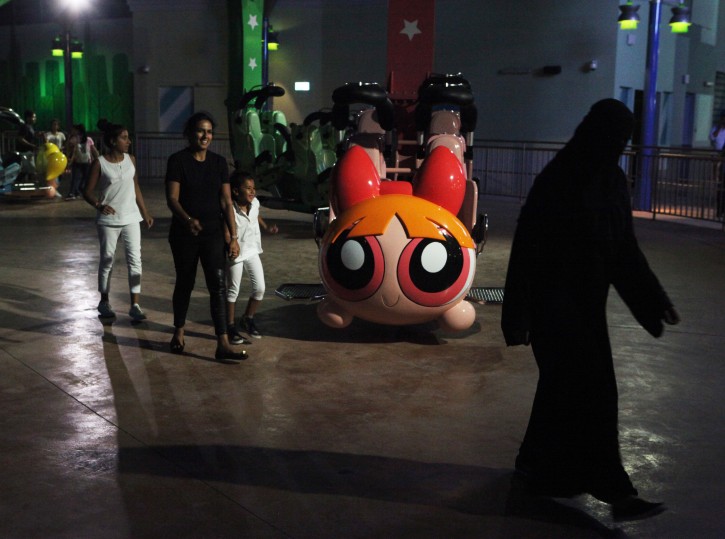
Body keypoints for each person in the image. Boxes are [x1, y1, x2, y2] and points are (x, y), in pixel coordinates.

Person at [501, 99, 681, 522]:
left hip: (586, 310)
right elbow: (527, 249)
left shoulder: (611, 181)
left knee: (559, 393)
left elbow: (623, 250)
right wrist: (519, 316)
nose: (618, 146)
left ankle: (535, 468)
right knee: (593, 395)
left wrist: (653, 301)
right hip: (552, 309)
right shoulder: (560, 179)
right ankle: (616, 492)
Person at [165, 111, 248, 363]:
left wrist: (233, 236)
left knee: (218, 286)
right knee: (185, 282)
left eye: (209, 131)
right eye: (201, 130)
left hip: (212, 233)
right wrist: (188, 220)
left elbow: (226, 201)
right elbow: (172, 199)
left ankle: (222, 343)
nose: (205, 136)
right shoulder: (178, 160)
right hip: (184, 233)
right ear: (190, 134)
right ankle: (178, 331)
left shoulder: (219, 163)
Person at [83, 119, 154, 321]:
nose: (128, 141)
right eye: (124, 138)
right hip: (108, 220)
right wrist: (99, 205)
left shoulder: (131, 159)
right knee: (107, 260)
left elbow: (136, 187)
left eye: (128, 137)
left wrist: (145, 212)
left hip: (132, 217)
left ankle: (135, 305)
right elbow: (86, 191)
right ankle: (104, 301)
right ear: (113, 141)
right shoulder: (100, 163)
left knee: (135, 260)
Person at [225, 171, 278, 344]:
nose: (252, 191)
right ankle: (230, 326)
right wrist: (230, 243)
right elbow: (226, 229)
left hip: (252, 250)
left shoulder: (254, 202)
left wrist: (266, 227)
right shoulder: (230, 208)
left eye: (253, 188)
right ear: (235, 191)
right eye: (247, 188)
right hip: (236, 253)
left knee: (260, 289)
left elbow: (256, 214)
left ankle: (247, 318)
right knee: (233, 291)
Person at [66, 123, 99, 200]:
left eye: (74, 130)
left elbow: (93, 150)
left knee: (85, 178)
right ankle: (72, 193)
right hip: (77, 161)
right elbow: (69, 149)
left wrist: (97, 158)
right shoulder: (73, 139)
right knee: (75, 177)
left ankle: (79, 191)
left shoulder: (88, 139)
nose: (72, 131)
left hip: (87, 162)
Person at [44, 118, 67, 196]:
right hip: (52, 155)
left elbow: (64, 144)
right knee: (53, 173)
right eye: (53, 124)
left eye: (56, 125)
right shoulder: (48, 134)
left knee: (60, 173)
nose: (55, 126)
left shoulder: (61, 135)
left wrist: (63, 149)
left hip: (60, 155)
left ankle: (55, 188)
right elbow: (46, 144)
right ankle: (53, 189)